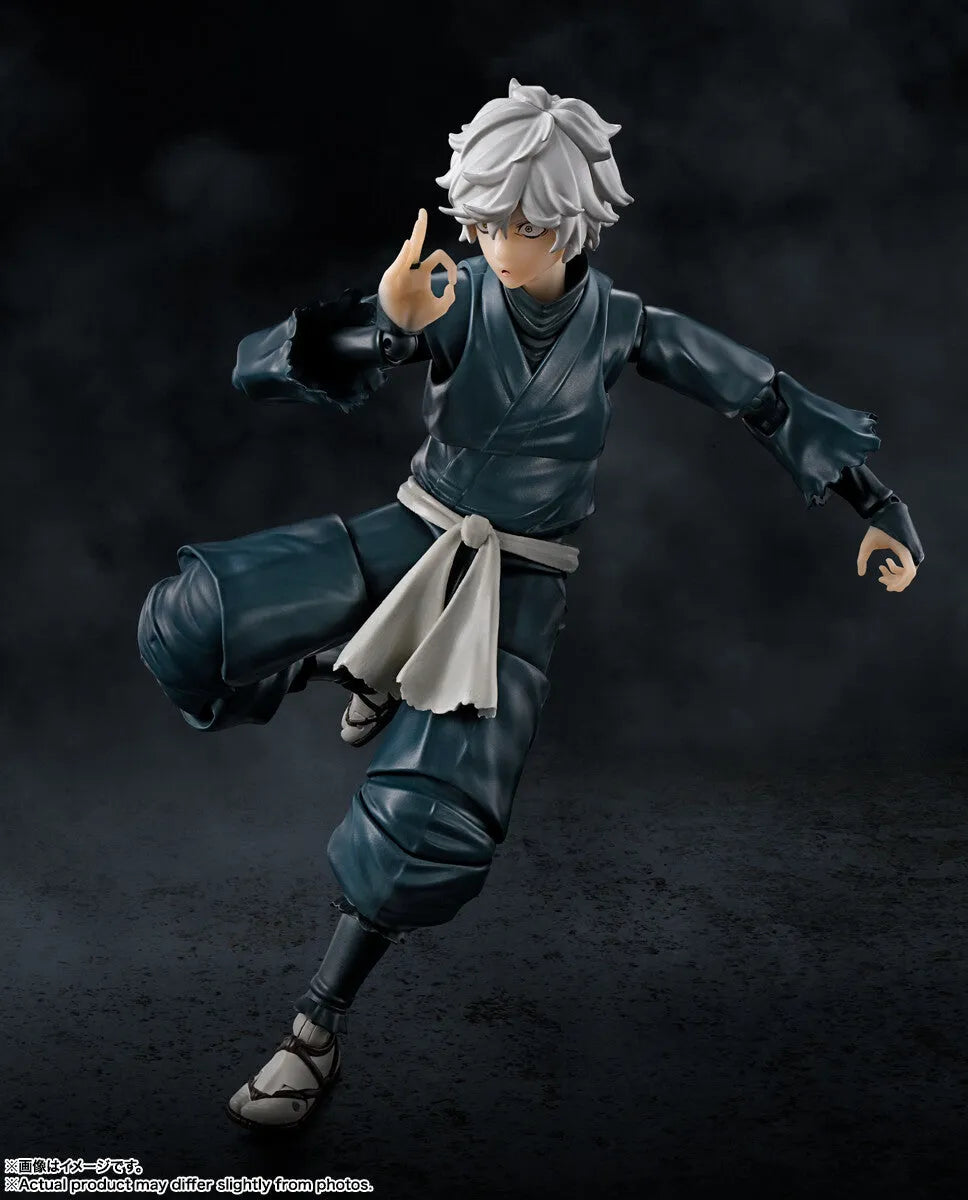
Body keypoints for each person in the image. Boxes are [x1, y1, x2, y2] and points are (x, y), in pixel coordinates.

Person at [137, 79, 923, 1132]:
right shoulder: (455, 295)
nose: (493, 243)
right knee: (190, 619)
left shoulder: (625, 326)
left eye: (517, 223)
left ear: (571, 221)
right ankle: (332, 668)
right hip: (415, 532)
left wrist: (878, 506)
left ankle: (312, 1033)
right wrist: (383, 329)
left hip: (519, 583)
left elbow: (764, 398)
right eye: (481, 221)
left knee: (424, 833)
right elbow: (262, 369)